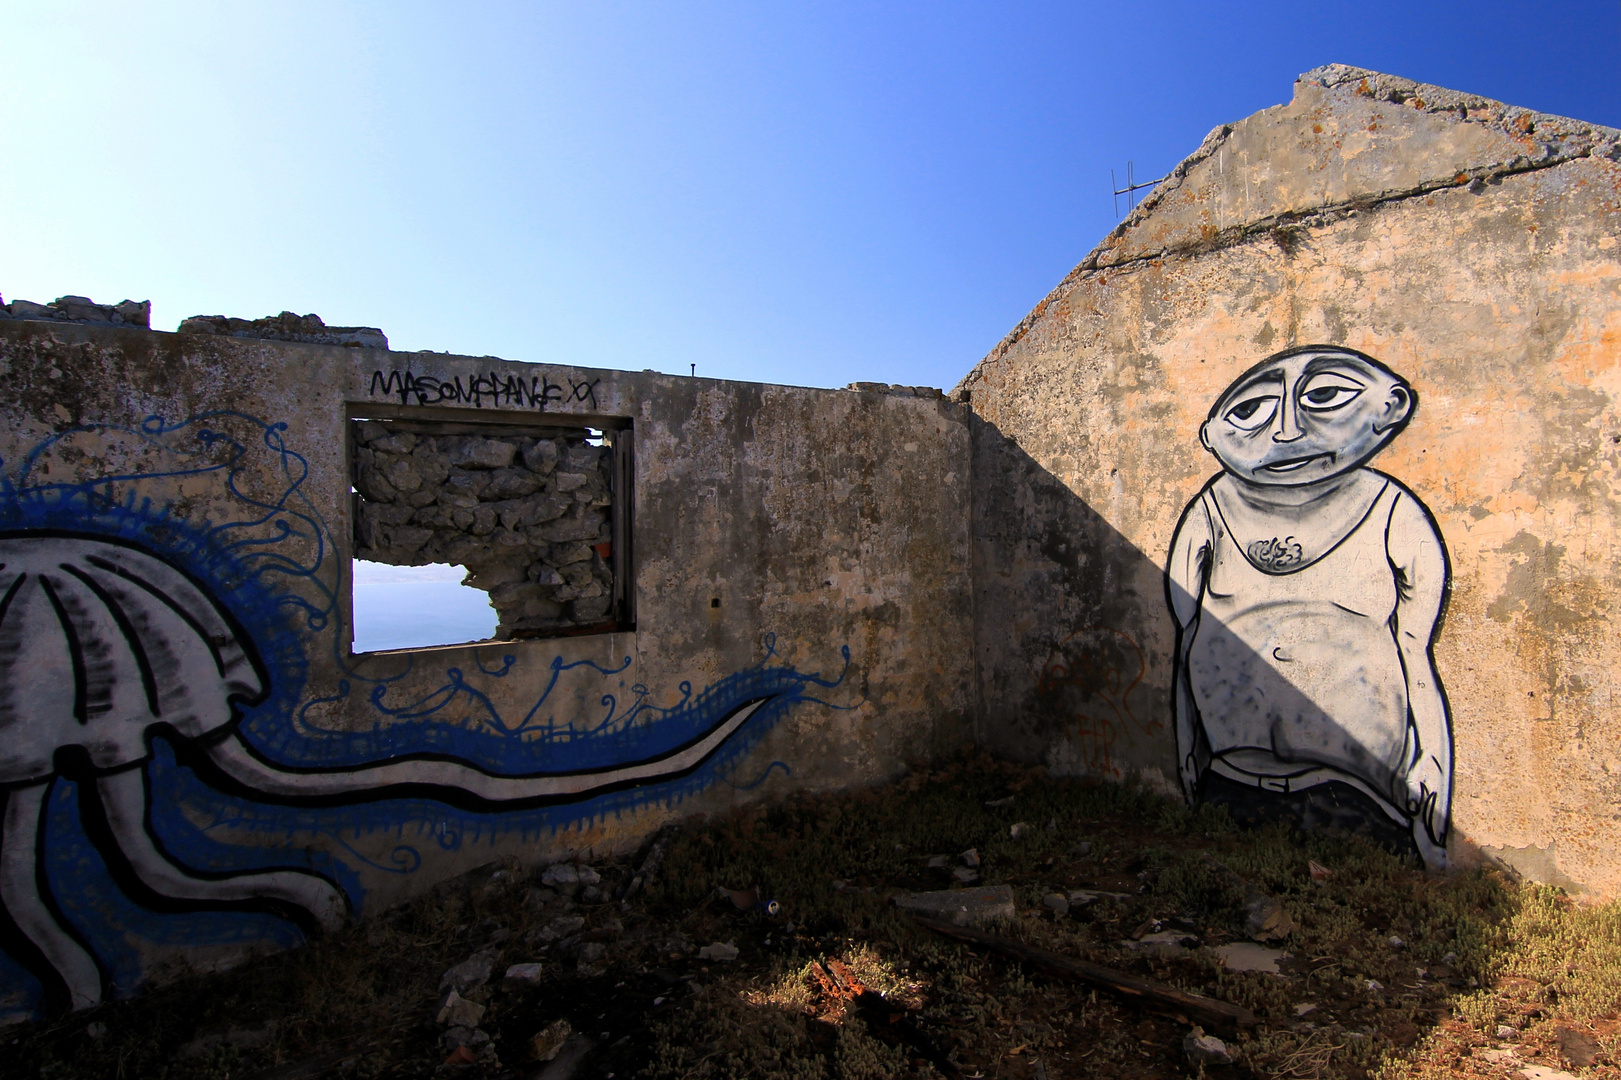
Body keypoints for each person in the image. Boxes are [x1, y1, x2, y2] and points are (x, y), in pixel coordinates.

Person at [1165, 345, 1452, 869]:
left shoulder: (1391, 513)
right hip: (1230, 780)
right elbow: (1184, 645)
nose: (1286, 431)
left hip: (1354, 793)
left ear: (1392, 406)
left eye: (1325, 395)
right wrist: (1187, 747)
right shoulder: (1209, 512)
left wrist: (1431, 761)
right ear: (1211, 437)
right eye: (1248, 410)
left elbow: (1416, 655)